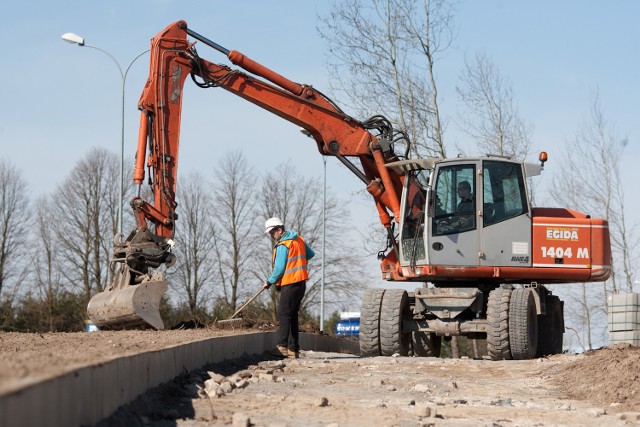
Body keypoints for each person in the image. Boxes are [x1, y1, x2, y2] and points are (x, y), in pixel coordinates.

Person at [262, 217, 315, 359]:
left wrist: (269, 281)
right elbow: (310, 254)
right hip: (301, 283)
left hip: (290, 283)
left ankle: (282, 347)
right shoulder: (299, 240)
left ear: (280, 230)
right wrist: (297, 259)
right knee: (292, 316)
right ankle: (293, 349)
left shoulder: (283, 245)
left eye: (272, 233)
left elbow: (279, 269)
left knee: (284, 315)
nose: (272, 236)